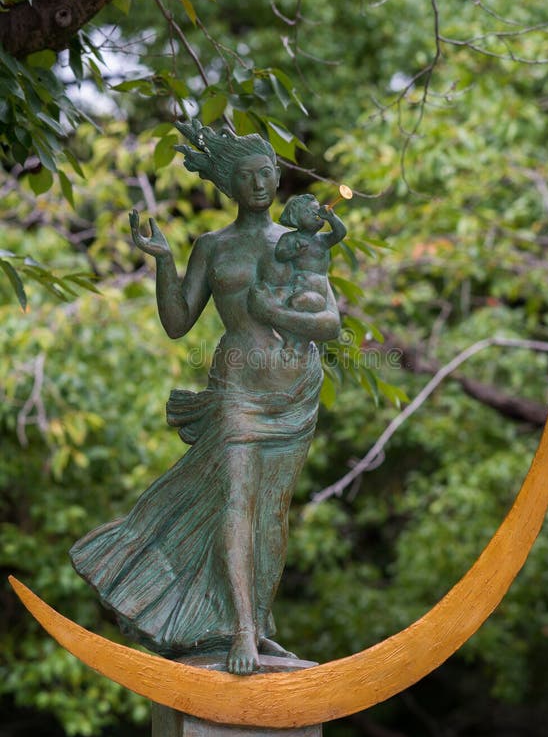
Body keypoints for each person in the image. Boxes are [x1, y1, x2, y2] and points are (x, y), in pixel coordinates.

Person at [70, 126, 340, 675]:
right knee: (238, 501)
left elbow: (330, 322)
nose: (260, 184)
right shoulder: (213, 247)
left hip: (294, 394)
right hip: (238, 389)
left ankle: (260, 625)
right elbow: (176, 322)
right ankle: (239, 628)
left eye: (267, 172)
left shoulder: (298, 242)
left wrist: (277, 315)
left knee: (274, 513)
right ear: (228, 184)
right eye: (247, 175)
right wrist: (163, 261)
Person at [274, 193, 347, 354]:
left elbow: (341, 233)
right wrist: (294, 250)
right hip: (294, 287)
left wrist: (332, 218)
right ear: (296, 218)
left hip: (316, 292)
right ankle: (294, 341)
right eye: (310, 212)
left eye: (317, 210)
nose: (317, 214)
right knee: (272, 306)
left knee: (297, 304)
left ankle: (298, 343)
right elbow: (279, 253)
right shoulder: (290, 238)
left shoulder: (323, 241)